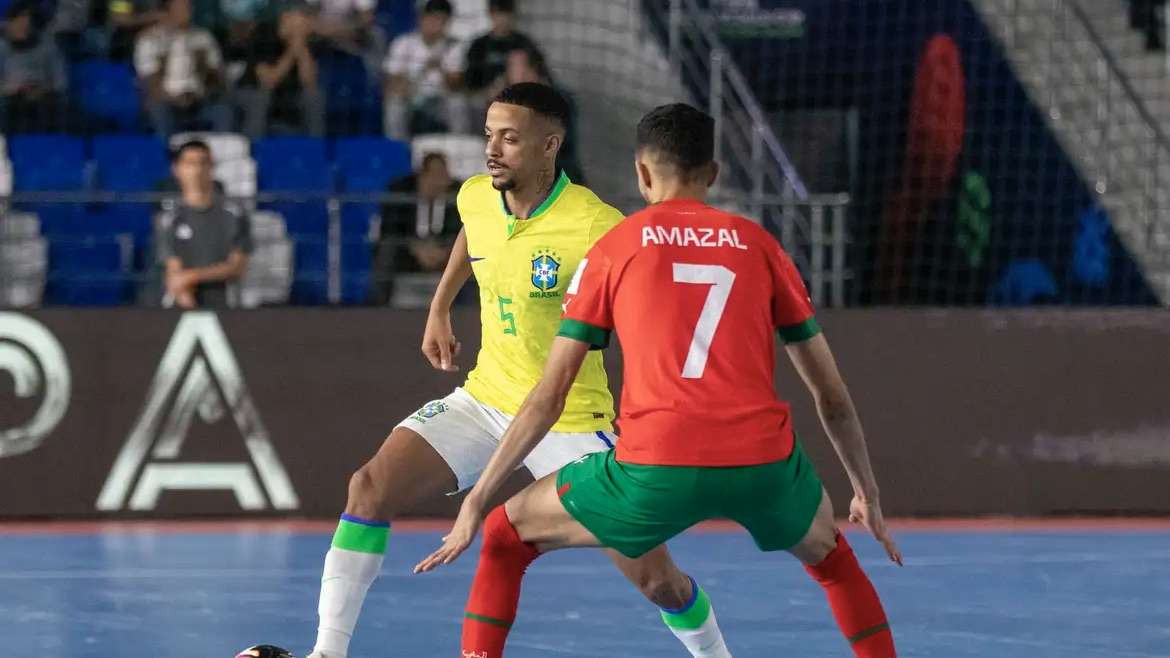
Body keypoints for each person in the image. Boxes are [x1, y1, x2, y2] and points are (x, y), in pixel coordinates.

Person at [415, 103, 903, 658]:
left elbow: (550, 396)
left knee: (505, 539)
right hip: (762, 465)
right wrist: (865, 491)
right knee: (836, 564)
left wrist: (478, 500)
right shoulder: (761, 246)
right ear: (713, 175)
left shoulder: (615, 248)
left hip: (655, 468)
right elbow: (831, 397)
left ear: (641, 174)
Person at [306, 84, 730, 658]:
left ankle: (714, 652)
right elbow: (472, 235)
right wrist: (439, 306)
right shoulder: (477, 196)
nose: (493, 149)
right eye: (488, 136)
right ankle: (326, 653)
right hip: (486, 398)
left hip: (572, 419)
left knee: (656, 578)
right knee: (369, 487)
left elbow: (657, 306)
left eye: (509, 137)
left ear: (550, 144)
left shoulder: (594, 224)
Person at [158, 139, 253, 309]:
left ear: (212, 167)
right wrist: (188, 302)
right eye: (190, 163)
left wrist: (193, 276)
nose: (197, 170)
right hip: (185, 303)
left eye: (203, 162)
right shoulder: (169, 219)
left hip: (228, 306)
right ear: (176, 169)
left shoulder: (234, 214)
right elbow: (173, 270)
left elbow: (236, 266)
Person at [369, 151, 461, 305]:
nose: (438, 182)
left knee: (472, 256)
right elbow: (390, 229)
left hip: (445, 251)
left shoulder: (458, 193)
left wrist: (445, 250)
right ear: (421, 177)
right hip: (409, 251)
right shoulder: (400, 191)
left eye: (442, 175)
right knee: (387, 251)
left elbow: (462, 230)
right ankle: (378, 308)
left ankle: (470, 311)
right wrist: (415, 248)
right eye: (433, 175)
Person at [134, 0, 232, 137]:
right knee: (159, 109)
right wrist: (173, 98)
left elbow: (216, 73)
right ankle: (166, 154)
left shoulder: (203, 37)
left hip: (199, 99)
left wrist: (203, 92)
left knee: (223, 111)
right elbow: (150, 82)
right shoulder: (150, 40)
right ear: (167, 12)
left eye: (188, 8)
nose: (187, 13)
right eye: (180, 8)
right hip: (166, 100)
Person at [236, 2, 324, 138]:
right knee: (261, 98)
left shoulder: (308, 41)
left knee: (315, 97)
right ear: (286, 17)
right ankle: (253, 146)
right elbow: (268, 81)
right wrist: (292, 50)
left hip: (289, 93)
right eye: (303, 17)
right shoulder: (264, 34)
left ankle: (315, 147)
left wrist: (301, 48)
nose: (308, 23)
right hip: (252, 90)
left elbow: (310, 83)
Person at [381, 0, 466, 140]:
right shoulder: (403, 43)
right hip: (411, 97)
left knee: (458, 103)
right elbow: (391, 84)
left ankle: (457, 145)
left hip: (440, 99)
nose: (438, 25)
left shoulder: (454, 46)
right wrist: (422, 71)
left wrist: (440, 67)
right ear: (422, 18)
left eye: (443, 21)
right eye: (434, 19)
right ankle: (399, 148)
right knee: (394, 104)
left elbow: (455, 86)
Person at [502, 46, 585, 184]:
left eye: (514, 66)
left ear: (530, 70)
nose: (509, 72)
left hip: (560, 180)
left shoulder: (557, 100)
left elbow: (562, 144)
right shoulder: (510, 101)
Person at [0, 0, 67, 133]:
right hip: (9, 100)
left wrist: (41, 90)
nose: (24, 26)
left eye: (27, 22)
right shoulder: (1, 49)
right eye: (18, 22)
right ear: (8, 24)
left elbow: (61, 84)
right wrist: (14, 89)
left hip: (44, 99)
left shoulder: (49, 48)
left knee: (56, 108)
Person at [463, 0, 542, 101]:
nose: (503, 19)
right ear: (491, 15)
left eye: (507, 15)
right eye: (499, 14)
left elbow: (540, 73)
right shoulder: (479, 45)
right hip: (486, 99)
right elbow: (469, 84)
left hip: (520, 97)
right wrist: (489, 91)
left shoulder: (523, 42)